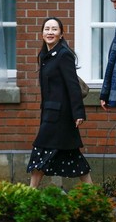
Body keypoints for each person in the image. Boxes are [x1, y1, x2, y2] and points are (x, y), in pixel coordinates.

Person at [27, 17, 93, 188]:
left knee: (40, 152)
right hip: (50, 114)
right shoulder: (45, 55)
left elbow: (73, 86)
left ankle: (29, 194)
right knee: (73, 157)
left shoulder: (64, 55)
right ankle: (93, 196)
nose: (50, 32)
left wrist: (78, 113)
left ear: (61, 34)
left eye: (54, 29)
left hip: (60, 116)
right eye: (47, 29)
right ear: (42, 33)